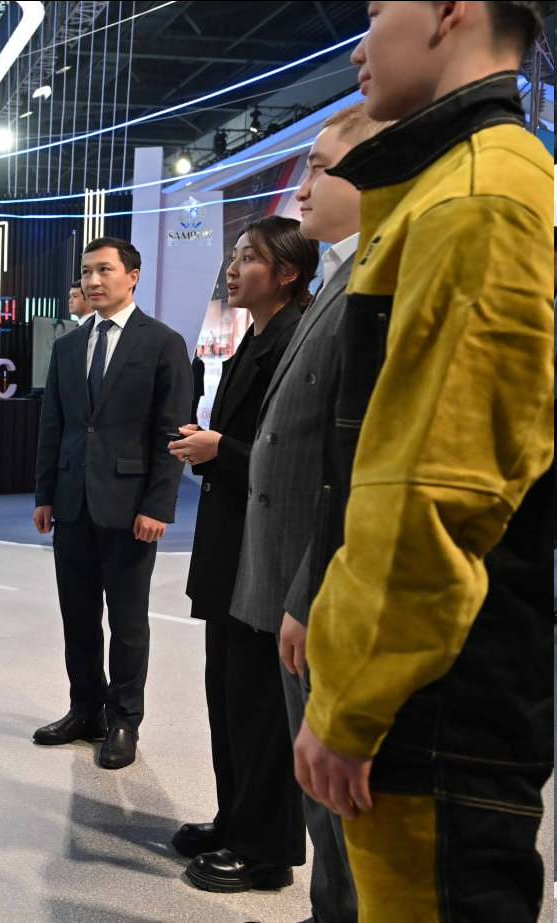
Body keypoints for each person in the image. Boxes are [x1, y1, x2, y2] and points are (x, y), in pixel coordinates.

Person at [291, 4, 553, 920]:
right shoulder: (451, 185)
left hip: (433, 705)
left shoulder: (478, 195)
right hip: (428, 687)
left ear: (450, 9)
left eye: (375, 11)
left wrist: (351, 702)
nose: (359, 47)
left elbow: (435, 492)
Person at [228, 101, 388, 923]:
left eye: (321, 168)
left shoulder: (377, 279)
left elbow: (353, 466)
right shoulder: (343, 275)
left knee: (343, 802)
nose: (301, 188)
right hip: (298, 573)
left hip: (321, 580)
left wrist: (306, 587)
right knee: (322, 799)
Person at [168, 216, 316, 893]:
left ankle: (267, 851)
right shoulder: (254, 337)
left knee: (260, 708)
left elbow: (297, 462)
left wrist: (219, 449)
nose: (232, 269)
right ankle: (235, 821)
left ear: (287, 272)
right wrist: (211, 447)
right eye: (232, 256)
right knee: (228, 699)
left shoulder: (296, 340)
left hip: (266, 552)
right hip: (229, 544)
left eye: (248, 257)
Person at [32, 236, 191, 769]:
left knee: (127, 622)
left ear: (133, 276)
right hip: (72, 503)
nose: (93, 281)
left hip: (130, 507)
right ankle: (85, 710)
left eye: (104, 270)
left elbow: (172, 432)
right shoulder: (69, 345)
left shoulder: (162, 343)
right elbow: (53, 425)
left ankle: (124, 721)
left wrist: (158, 506)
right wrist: (45, 494)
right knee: (77, 617)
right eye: (86, 272)